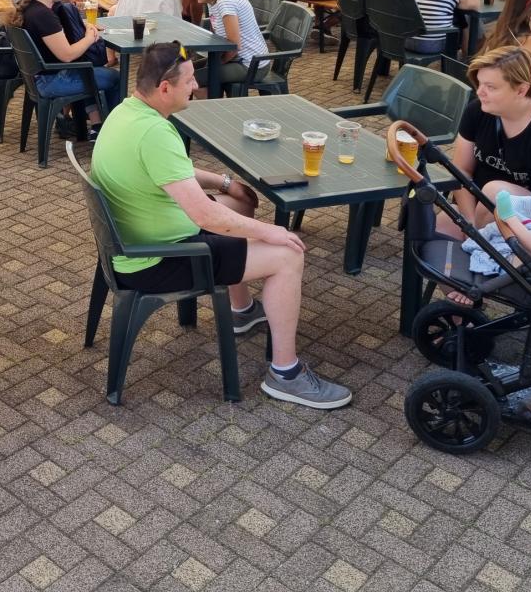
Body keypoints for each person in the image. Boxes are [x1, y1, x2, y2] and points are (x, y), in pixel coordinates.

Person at [89, 43, 352, 409]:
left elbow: (172, 171)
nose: (195, 86)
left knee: (241, 204)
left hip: (139, 238)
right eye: (188, 81)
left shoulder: (127, 111)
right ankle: (286, 374)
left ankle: (241, 311)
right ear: (164, 88)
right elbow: (207, 218)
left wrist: (225, 183)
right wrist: (271, 232)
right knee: (287, 254)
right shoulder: (155, 133)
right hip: (158, 259)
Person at [440, 46, 531, 237]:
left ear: (521, 90)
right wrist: (469, 222)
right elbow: (462, 170)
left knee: (495, 192)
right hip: (476, 208)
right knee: (434, 230)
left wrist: (481, 231)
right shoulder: (478, 110)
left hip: (526, 224)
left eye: (491, 87)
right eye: (479, 83)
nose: (479, 92)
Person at [5, 0, 118, 119]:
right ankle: (108, 127)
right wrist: (89, 37)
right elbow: (67, 55)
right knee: (113, 77)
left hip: (37, 77)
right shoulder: (43, 15)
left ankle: (95, 124)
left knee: (90, 71)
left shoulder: (30, 8)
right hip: (51, 80)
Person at [187, 0, 267, 91]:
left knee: (190, 79)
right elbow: (217, 35)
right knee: (186, 71)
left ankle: (213, 103)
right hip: (239, 59)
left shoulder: (225, 2)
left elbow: (234, 45)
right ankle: (213, 100)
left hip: (251, 65)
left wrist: (218, 62)